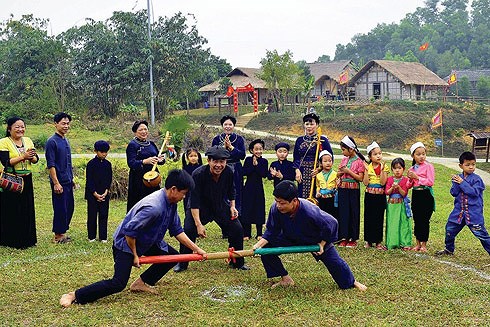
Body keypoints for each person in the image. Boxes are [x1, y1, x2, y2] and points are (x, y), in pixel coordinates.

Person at [59, 169, 205, 307]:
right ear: (173, 189)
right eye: (184, 193)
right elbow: (129, 232)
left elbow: (177, 230)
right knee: (118, 283)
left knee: (172, 257)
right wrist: (135, 255)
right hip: (126, 244)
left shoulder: (171, 203)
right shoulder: (154, 207)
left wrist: (197, 250)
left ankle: (141, 283)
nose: (184, 197)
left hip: (148, 240)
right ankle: (75, 295)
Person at [252, 181, 367, 291]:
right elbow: (271, 231)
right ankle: (286, 279)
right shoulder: (275, 209)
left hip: (313, 238)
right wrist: (258, 245)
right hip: (289, 236)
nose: (278, 205)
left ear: (294, 201)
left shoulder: (310, 211)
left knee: (334, 261)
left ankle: (351, 282)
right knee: (266, 250)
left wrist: (322, 244)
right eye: (277, 201)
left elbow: (332, 223)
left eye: (282, 203)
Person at [174, 146, 249, 272]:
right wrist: (198, 224)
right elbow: (194, 200)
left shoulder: (229, 171)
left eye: (222, 162)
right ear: (209, 161)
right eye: (215, 161)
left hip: (219, 205)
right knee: (188, 229)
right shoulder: (198, 174)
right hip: (199, 208)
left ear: (226, 162)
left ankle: (237, 262)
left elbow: (232, 190)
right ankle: (182, 263)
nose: (218, 165)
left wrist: (232, 207)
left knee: (237, 228)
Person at [435, 152, 490, 256]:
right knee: (449, 230)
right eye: (467, 164)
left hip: (473, 215)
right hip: (459, 213)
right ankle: (449, 249)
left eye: (473, 164)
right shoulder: (459, 178)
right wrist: (455, 182)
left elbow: (474, 192)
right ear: (461, 166)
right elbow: (454, 193)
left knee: (482, 235)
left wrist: (462, 183)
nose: (471, 167)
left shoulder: (477, 179)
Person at [0, 117, 39, 249]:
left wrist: (31, 156)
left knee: (27, 209)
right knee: (12, 209)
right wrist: (23, 156)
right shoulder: (4, 142)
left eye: (22, 126)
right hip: (12, 180)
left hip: (27, 179)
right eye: (17, 127)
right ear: (9, 128)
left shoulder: (27, 140)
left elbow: (35, 159)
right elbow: (5, 162)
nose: (20, 129)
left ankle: (28, 239)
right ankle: (13, 240)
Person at [45, 112, 74, 244]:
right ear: (56, 124)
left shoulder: (65, 140)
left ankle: (63, 232)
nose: (66, 126)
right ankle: (58, 236)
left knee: (69, 207)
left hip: (67, 180)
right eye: (63, 123)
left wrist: (71, 178)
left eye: (67, 123)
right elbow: (51, 164)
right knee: (60, 208)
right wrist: (56, 183)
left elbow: (68, 162)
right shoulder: (52, 142)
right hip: (59, 181)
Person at [126, 120, 165, 212]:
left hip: (153, 178)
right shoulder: (132, 145)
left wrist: (160, 160)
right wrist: (144, 161)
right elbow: (131, 163)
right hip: (139, 180)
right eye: (140, 130)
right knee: (139, 204)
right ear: (135, 132)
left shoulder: (151, 144)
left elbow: (158, 160)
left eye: (145, 129)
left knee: (154, 202)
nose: (144, 132)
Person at [211, 115, 246, 217]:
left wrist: (231, 148)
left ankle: (237, 216)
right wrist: (223, 148)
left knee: (237, 192)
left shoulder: (239, 139)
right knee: (222, 192)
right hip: (220, 169)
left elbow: (242, 155)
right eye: (225, 124)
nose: (228, 126)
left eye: (230, 124)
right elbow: (213, 154)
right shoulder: (217, 139)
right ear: (222, 126)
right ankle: (224, 219)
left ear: (233, 126)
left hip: (236, 168)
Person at [293, 113, 333, 199]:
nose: (309, 126)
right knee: (302, 199)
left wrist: (319, 168)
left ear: (317, 125)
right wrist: (297, 170)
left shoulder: (323, 140)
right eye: (307, 124)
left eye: (312, 124)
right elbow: (296, 158)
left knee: (316, 198)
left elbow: (330, 158)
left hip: (317, 173)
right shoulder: (299, 140)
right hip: (302, 173)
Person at [336, 136, 366, 248]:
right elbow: (338, 173)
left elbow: (360, 178)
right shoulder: (344, 160)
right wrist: (340, 173)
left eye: (344, 149)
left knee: (353, 212)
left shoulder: (359, 162)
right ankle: (343, 237)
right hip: (343, 188)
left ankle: (353, 238)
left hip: (353, 189)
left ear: (351, 149)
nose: (342, 152)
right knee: (343, 213)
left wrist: (348, 171)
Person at [407, 142, 435, 253]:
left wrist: (417, 177)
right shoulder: (412, 168)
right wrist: (410, 178)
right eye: (418, 154)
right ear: (413, 156)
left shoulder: (429, 167)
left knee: (424, 219)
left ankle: (424, 244)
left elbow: (430, 182)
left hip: (426, 195)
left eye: (423, 154)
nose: (421, 156)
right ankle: (417, 243)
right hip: (416, 195)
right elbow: (409, 185)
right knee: (417, 219)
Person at [362, 142, 389, 250]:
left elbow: (383, 183)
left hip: (379, 196)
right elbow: (365, 182)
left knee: (379, 217)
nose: (378, 156)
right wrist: (366, 170)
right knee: (368, 217)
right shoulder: (368, 167)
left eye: (380, 153)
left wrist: (382, 170)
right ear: (370, 157)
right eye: (375, 154)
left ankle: (378, 241)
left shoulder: (385, 167)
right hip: (369, 195)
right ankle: (368, 241)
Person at [85, 140, 112, 243]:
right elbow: (89, 180)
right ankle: (91, 236)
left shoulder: (108, 164)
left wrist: (106, 191)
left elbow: (109, 179)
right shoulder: (91, 164)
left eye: (106, 152)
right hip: (92, 194)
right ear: (95, 151)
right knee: (92, 215)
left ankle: (103, 237)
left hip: (104, 193)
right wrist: (95, 193)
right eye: (102, 152)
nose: (104, 154)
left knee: (104, 215)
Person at [241, 139, 268, 240]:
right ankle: (246, 233)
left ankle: (259, 233)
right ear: (252, 150)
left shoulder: (264, 161)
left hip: (259, 188)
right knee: (247, 209)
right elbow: (244, 172)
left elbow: (264, 174)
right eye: (256, 149)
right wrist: (253, 166)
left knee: (259, 209)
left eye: (260, 149)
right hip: (248, 188)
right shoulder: (248, 159)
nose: (258, 151)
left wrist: (257, 166)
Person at [385, 158, 413, 250]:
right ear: (392, 169)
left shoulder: (405, 180)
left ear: (403, 169)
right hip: (392, 205)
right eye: (395, 168)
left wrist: (398, 187)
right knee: (392, 223)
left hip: (402, 204)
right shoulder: (389, 180)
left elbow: (404, 193)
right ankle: (392, 242)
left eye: (399, 168)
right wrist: (392, 188)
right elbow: (387, 192)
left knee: (403, 222)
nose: (397, 170)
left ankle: (404, 242)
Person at [315, 150, 338, 219]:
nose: (328, 163)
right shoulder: (318, 175)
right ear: (321, 163)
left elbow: (337, 185)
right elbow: (318, 185)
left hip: (332, 199)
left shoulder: (335, 174)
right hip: (322, 199)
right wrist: (318, 192)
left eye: (330, 161)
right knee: (323, 216)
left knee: (332, 216)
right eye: (325, 161)